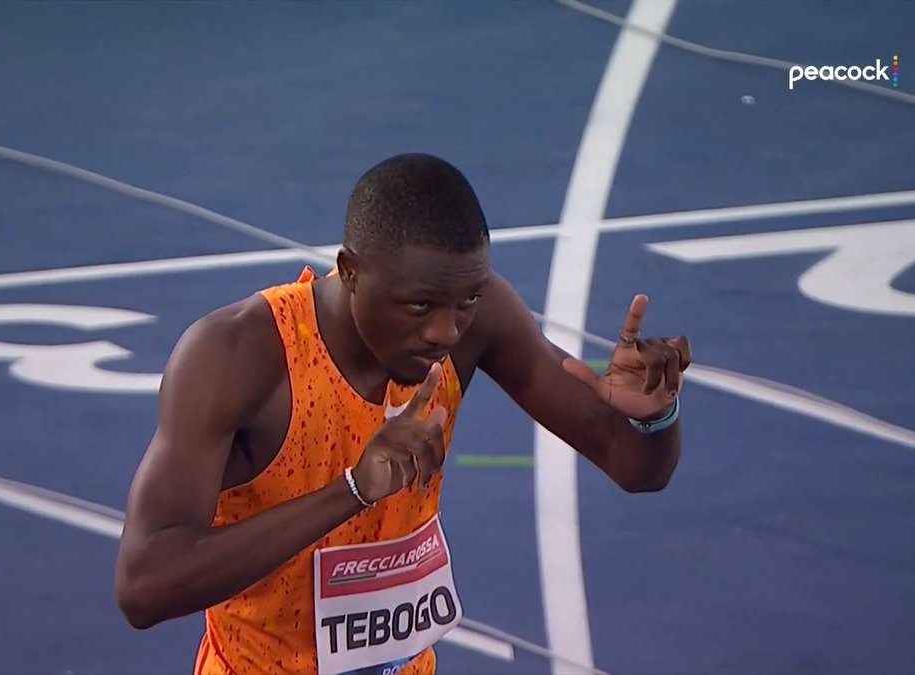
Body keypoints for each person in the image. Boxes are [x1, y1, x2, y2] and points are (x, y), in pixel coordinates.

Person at [114, 153, 691, 675]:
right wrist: (352, 491)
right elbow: (145, 585)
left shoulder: (478, 316)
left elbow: (634, 467)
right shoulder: (239, 356)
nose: (445, 331)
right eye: (420, 305)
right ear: (351, 270)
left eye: (465, 301)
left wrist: (654, 417)